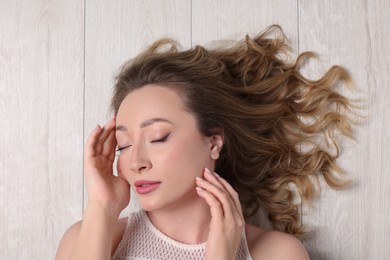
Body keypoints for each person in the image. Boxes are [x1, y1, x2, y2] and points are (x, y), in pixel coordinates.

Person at [56, 25, 356, 259]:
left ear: (214, 142)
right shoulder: (89, 239)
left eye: (158, 138)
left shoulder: (276, 253)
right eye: (123, 144)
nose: (136, 162)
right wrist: (103, 207)